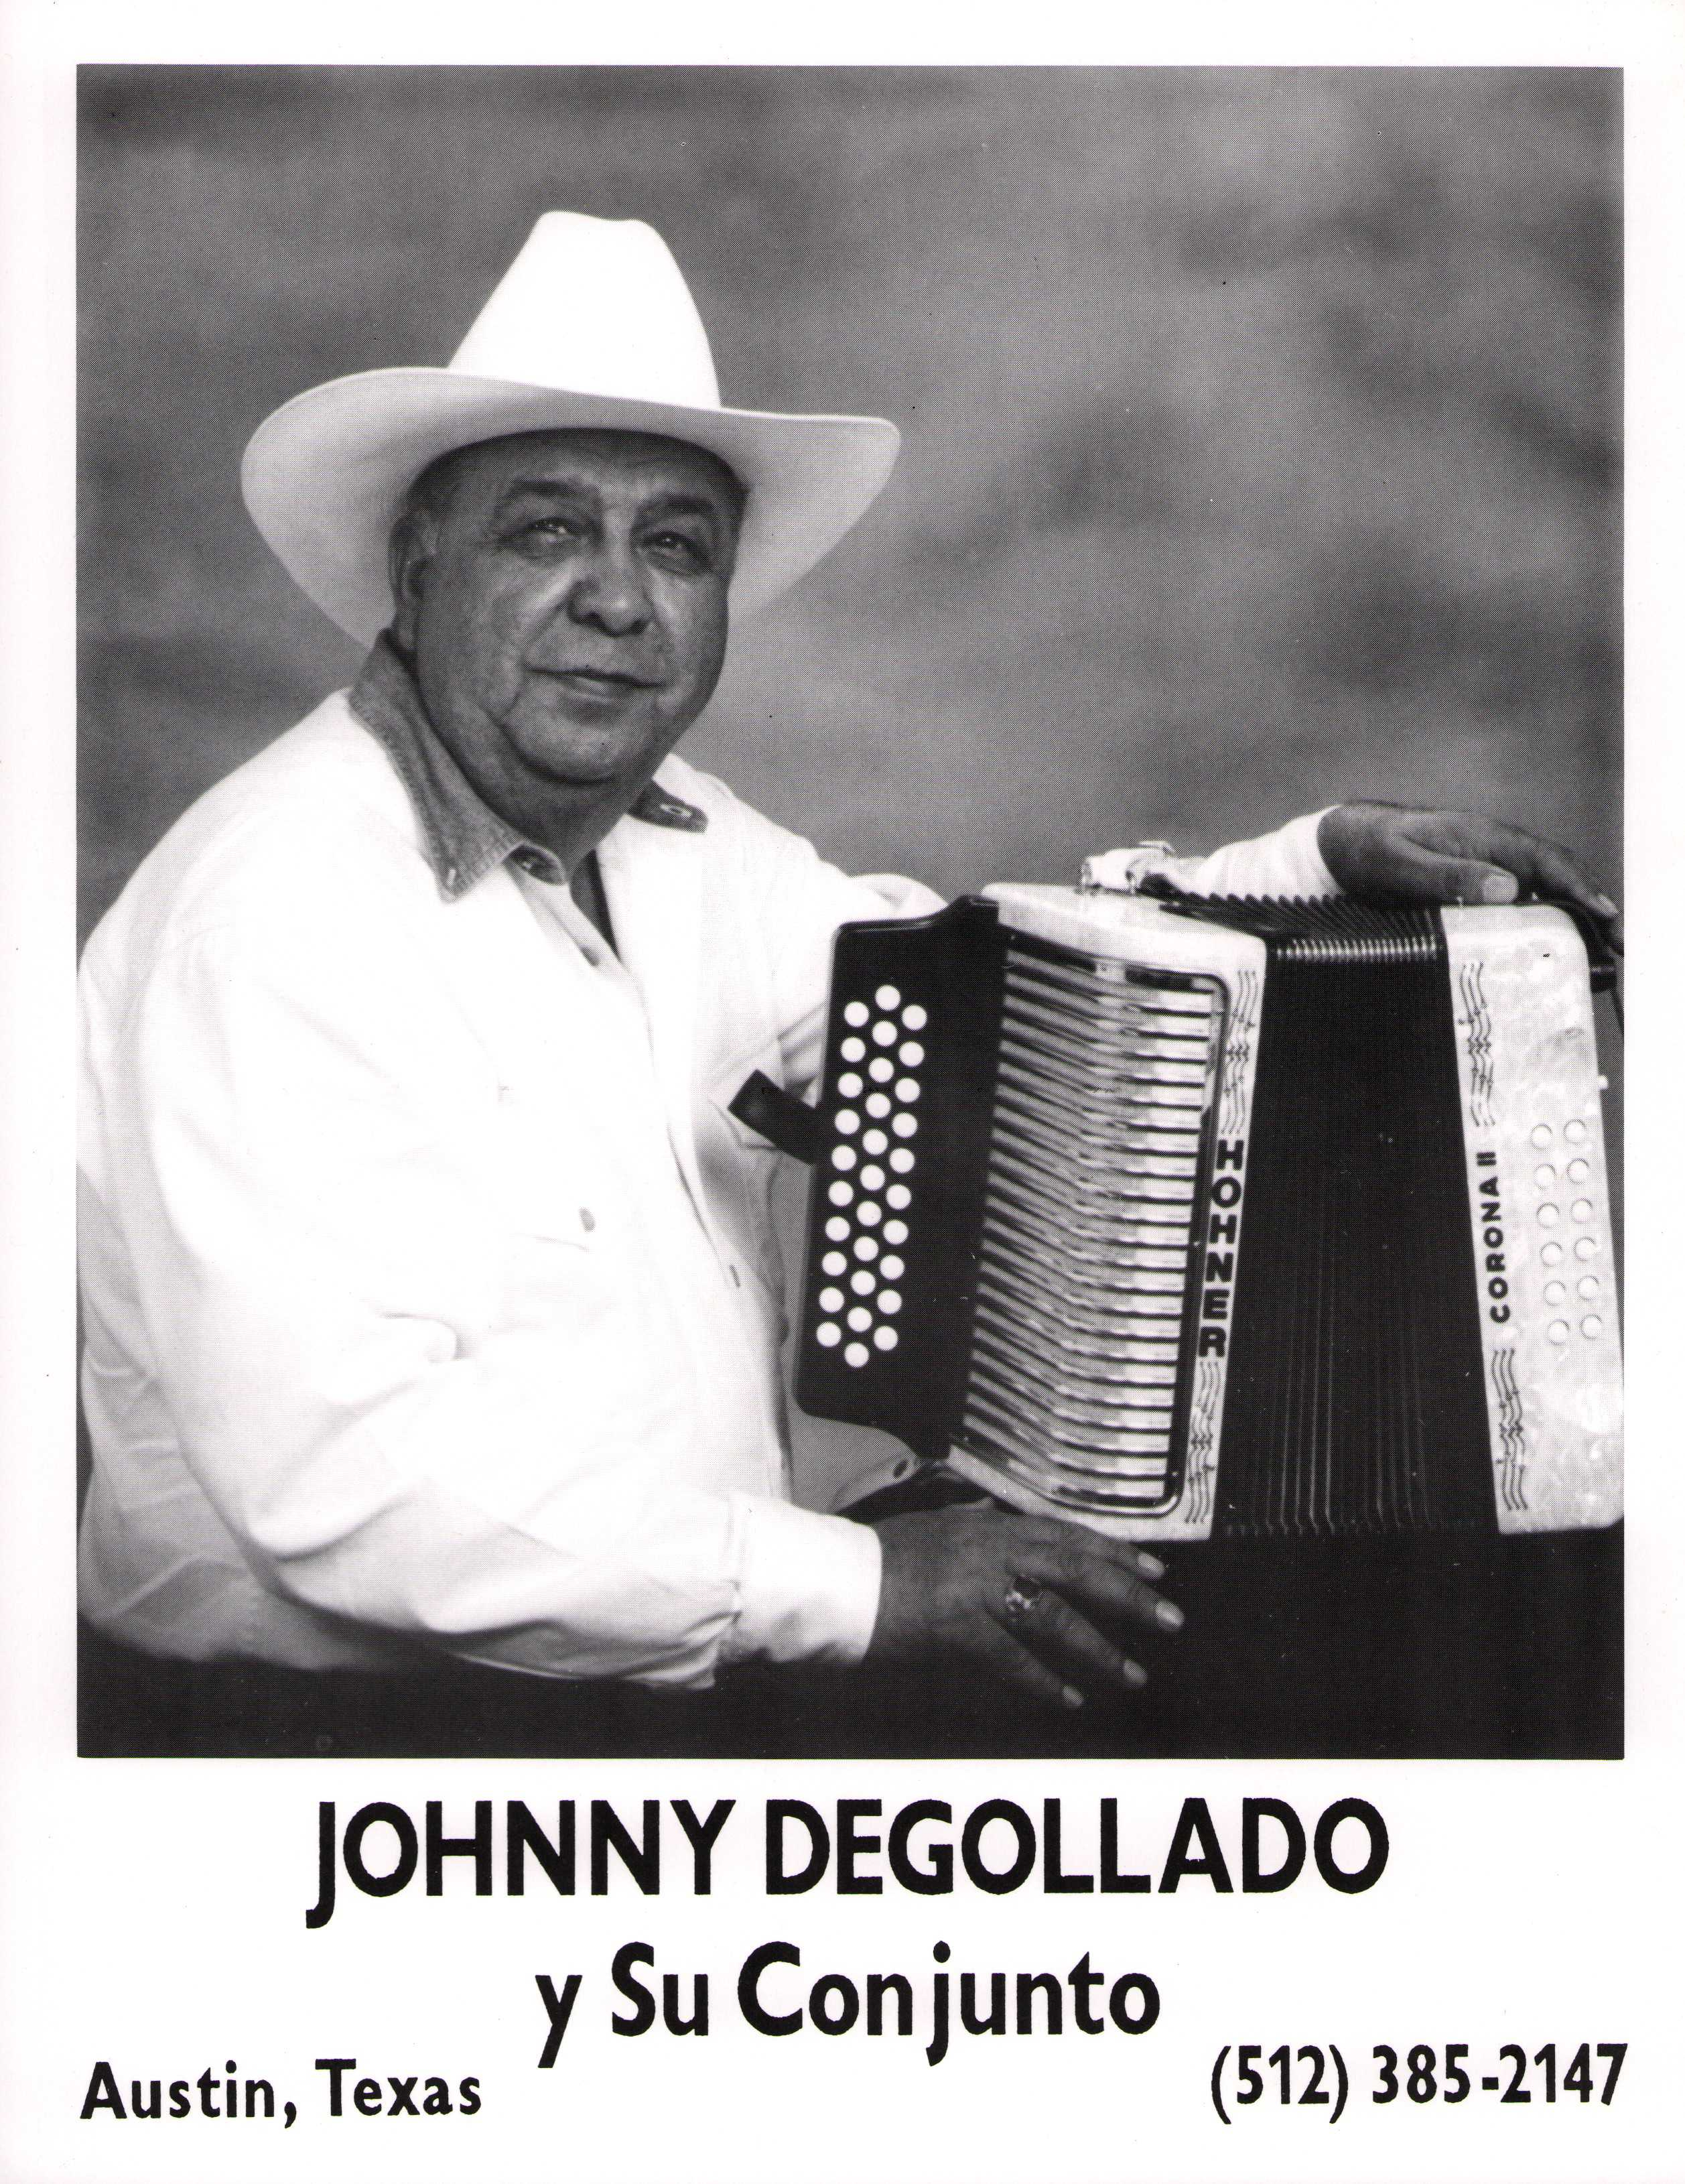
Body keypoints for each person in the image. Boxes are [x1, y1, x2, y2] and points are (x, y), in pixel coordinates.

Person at [78, 212, 1620, 1744]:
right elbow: (343, 1499)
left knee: (1476, 1616)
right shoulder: (278, 909)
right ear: (414, 578)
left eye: (674, 546)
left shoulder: (685, 846)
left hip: (698, 1675)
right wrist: (869, 1592)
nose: (618, 599)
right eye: (547, 530)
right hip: (336, 1747)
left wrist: (1309, 862)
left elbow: (975, 989)